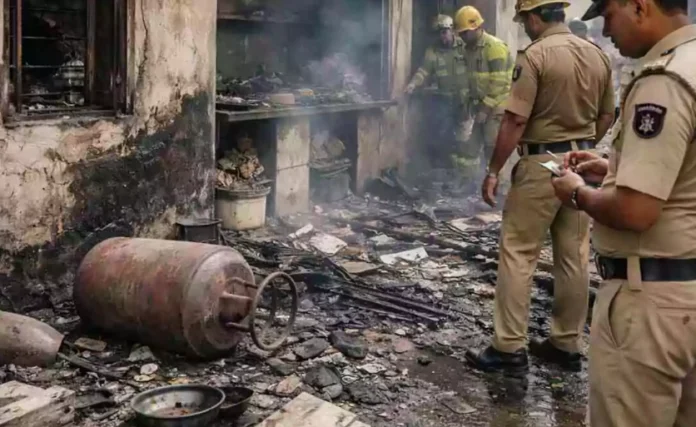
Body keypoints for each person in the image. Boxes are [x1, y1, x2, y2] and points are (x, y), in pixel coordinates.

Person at [551, 0, 696, 425]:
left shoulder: (663, 81)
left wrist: (578, 194)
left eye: (609, 15)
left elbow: (635, 211)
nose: (606, 29)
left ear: (639, 6)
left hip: (652, 304)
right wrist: (614, 169)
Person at [465, 0, 615, 374]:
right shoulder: (597, 55)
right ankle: (566, 344)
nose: (525, 27)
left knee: (519, 251)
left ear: (534, 17)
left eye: (524, 21)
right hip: (580, 164)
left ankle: (508, 347)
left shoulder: (535, 56)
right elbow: (607, 115)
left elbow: (515, 120)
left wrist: (494, 170)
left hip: (540, 164)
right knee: (574, 255)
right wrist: (581, 147)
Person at [451, 6, 514, 188]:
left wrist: (485, 109)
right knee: (469, 148)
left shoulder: (495, 47)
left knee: (492, 146)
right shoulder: (467, 50)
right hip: (479, 105)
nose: (462, 37)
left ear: (477, 27)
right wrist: (467, 103)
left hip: (498, 104)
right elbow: (467, 79)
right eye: (460, 33)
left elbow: (500, 83)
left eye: (465, 33)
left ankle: (498, 186)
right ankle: (469, 184)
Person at [405, 15, 467, 168]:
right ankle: (444, 169)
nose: (442, 36)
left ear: (452, 30)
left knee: (465, 137)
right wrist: (413, 84)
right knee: (442, 135)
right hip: (445, 100)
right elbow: (424, 71)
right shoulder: (432, 51)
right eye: (439, 33)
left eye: (445, 32)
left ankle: (464, 172)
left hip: (465, 100)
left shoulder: (464, 46)